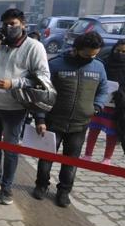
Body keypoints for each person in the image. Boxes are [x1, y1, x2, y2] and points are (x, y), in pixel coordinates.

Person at [0, 8, 50, 206]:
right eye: (5, 24)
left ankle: (7, 188)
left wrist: (14, 83)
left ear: (23, 24)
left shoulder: (35, 47)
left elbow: (42, 78)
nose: (8, 27)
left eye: (13, 24)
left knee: (10, 148)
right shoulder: (0, 44)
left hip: (15, 106)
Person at [32, 32, 109, 208]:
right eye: (88, 54)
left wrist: (97, 106)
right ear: (76, 49)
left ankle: (64, 191)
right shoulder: (56, 64)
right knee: (46, 158)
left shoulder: (98, 67)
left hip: (80, 124)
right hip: (53, 121)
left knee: (71, 160)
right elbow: (42, 93)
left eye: (95, 54)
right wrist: (40, 118)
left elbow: (104, 89)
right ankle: (41, 185)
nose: (91, 57)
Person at [83, 40, 125, 165]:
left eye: (124, 51)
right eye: (117, 50)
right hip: (101, 103)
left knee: (112, 133)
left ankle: (107, 158)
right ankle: (87, 154)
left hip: (117, 106)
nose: (120, 53)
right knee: (93, 129)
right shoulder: (106, 62)